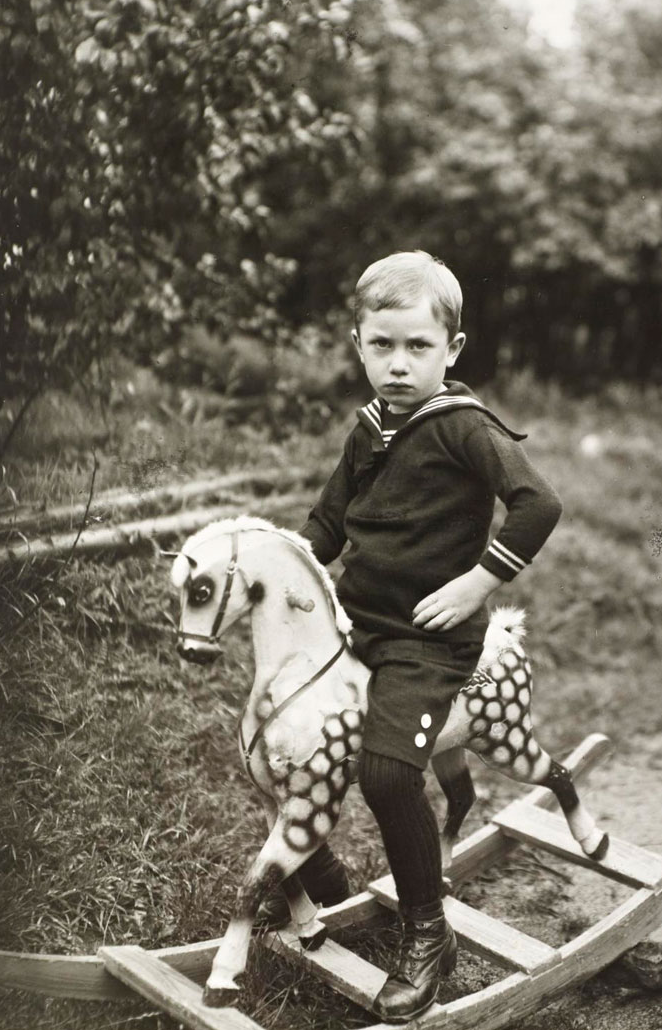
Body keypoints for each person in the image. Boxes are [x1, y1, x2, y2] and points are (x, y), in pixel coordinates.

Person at [258, 250, 562, 1023]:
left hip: (430, 641)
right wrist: (278, 574)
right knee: (277, 726)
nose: (398, 365)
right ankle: (318, 870)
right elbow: (328, 523)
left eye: (418, 347)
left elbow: (538, 505)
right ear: (358, 343)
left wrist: (477, 583)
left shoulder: (462, 427)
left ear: (451, 350)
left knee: (388, 777)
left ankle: (429, 931)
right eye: (382, 346)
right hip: (360, 620)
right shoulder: (369, 428)